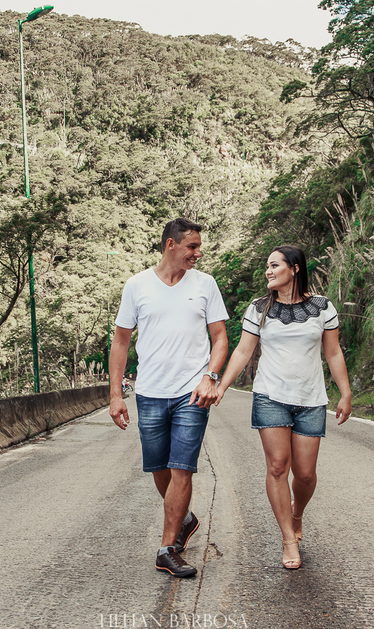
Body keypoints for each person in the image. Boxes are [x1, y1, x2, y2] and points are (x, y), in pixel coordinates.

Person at [213, 245, 352, 570]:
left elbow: (332, 353)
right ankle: (288, 537)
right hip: (270, 397)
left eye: (275, 265)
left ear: (295, 268)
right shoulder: (258, 308)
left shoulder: (323, 308)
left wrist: (345, 393)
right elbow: (243, 352)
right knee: (278, 466)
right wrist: (221, 385)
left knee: (304, 475)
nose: (269, 271)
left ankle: (297, 512)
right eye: (267, 266)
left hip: (310, 400)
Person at [109, 218, 229, 579]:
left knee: (182, 466)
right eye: (192, 246)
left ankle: (167, 548)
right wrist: (116, 395)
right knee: (158, 468)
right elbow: (121, 342)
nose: (198, 252)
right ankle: (186, 518)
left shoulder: (206, 284)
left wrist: (210, 377)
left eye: (198, 246)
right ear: (170, 245)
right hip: (149, 391)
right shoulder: (137, 286)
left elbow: (220, 338)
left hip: (192, 391)